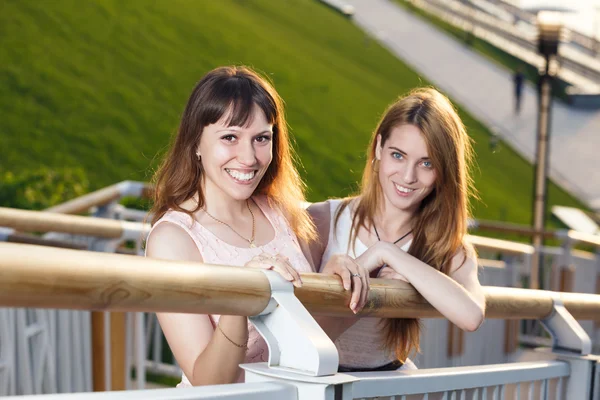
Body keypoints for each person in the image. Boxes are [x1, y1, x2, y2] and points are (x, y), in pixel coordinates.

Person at [145, 66, 365, 386]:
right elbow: (209, 383)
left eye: (261, 138)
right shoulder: (172, 239)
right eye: (230, 137)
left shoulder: (280, 212)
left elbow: (312, 339)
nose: (248, 157)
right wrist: (243, 294)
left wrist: (332, 280)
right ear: (195, 143)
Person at [308, 88, 486, 372]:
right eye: (398, 155)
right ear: (379, 147)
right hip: (314, 381)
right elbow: (301, 333)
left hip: (387, 382)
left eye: (426, 163)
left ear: (444, 171)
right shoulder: (323, 219)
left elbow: (471, 315)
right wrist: (368, 264)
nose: (407, 176)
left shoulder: (447, 247)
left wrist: (388, 253)